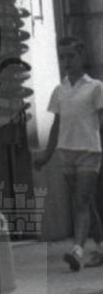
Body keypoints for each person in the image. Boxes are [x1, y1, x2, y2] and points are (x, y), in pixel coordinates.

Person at [37, 34, 103, 271]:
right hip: (66, 153)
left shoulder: (95, 87)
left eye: (71, 56)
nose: (67, 61)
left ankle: (77, 250)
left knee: (81, 201)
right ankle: (101, 247)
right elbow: (56, 125)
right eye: (62, 57)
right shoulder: (59, 90)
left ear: (82, 55)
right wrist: (46, 155)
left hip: (89, 151)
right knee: (86, 203)